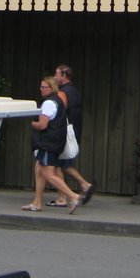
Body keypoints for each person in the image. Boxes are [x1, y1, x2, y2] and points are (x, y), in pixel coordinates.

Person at [22, 76, 82, 214]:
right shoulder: (58, 101)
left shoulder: (48, 103)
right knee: (39, 170)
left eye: (44, 87)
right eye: (41, 86)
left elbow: (42, 125)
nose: (41, 89)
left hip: (48, 143)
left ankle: (73, 196)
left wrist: (32, 122)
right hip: (53, 142)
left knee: (48, 173)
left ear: (51, 88)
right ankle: (36, 202)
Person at [49, 64, 95, 206]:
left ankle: (68, 194)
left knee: (58, 164)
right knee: (62, 164)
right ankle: (79, 188)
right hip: (73, 131)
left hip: (64, 132)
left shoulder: (63, 93)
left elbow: (59, 112)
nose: (55, 77)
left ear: (64, 76)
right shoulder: (73, 91)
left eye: (57, 74)